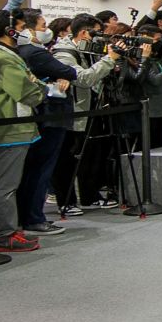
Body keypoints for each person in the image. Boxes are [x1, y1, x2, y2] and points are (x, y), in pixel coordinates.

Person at [0, 9, 51, 253]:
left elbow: (31, 84)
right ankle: (5, 233)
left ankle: (8, 229)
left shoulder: (7, 56)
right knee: (6, 184)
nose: (25, 33)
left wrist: (37, 86)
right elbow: (26, 91)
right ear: (10, 30)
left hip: (15, 126)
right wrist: (41, 89)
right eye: (21, 28)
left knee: (10, 182)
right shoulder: (4, 58)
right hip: (9, 127)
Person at [50, 15, 121, 214]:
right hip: (72, 112)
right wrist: (109, 59)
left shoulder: (87, 49)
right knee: (67, 159)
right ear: (83, 33)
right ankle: (66, 201)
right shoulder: (63, 52)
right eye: (96, 33)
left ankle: (90, 196)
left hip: (90, 108)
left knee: (91, 155)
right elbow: (83, 79)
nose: (99, 38)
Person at [15, 9, 77, 237]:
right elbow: (68, 71)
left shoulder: (26, 52)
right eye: (43, 26)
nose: (46, 30)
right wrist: (61, 74)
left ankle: (29, 216)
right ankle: (33, 217)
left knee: (36, 168)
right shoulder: (35, 52)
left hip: (43, 115)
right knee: (41, 169)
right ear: (28, 29)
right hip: (49, 116)